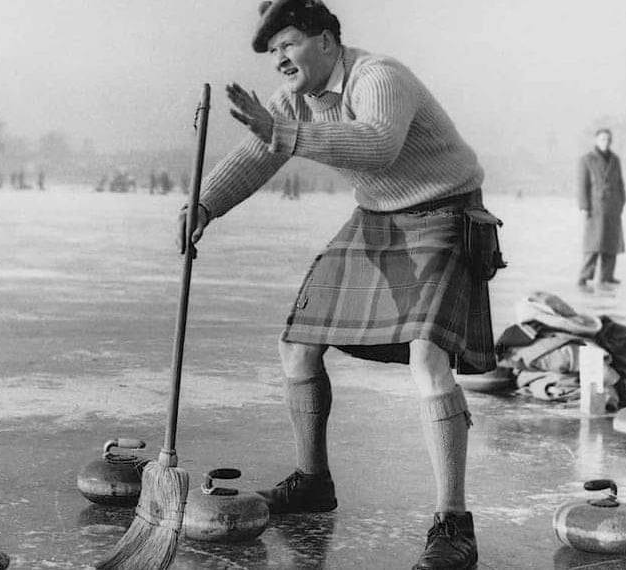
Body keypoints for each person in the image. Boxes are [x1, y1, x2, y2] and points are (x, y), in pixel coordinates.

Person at [176, 2, 496, 568]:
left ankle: (454, 524)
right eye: (273, 51)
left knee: (428, 357)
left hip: (444, 214)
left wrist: (282, 132)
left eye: (289, 44)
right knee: (296, 344)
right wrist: (204, 204)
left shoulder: (379, 76)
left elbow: (377, 144)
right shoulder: (295, 100)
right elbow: (257, 155)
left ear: (326, 41)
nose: (280, 60)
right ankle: (312, 482)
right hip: (377, 217)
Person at [577, 128, 626, 290]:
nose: (606, 142)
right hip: (595, 208)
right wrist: (584, 207)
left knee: (611, 244)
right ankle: (584, 277)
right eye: (603, 139)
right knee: (593, 244)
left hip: (613, 208)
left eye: (608, 139)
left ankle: (607, 276)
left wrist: (621, 201)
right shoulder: (587, 159)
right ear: (596, 140)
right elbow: (582, 186)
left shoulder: (615, 160)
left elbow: (620, 183)